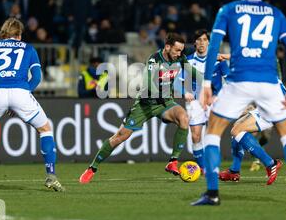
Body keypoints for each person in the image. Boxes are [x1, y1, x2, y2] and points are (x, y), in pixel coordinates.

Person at [192, 0, 286, 205]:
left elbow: (213, 46)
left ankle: (212, 193)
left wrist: (205, 85)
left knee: (212, 133)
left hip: (239, 80)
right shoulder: (276, 13)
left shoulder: (228, 10)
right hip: (269, 83)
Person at [0, 18, 64, 193]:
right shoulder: (29, 49)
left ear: (3, 33)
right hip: (21, 92)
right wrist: (23, 95)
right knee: (45, 129)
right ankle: (51, 176)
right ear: (20, 34)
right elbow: (37, 77)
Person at [79, 33, 199, 183]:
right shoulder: (154, 59)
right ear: (167, 47)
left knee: (183, 118)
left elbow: (194, 73)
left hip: (165, 103)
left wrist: (208, 85)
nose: (179, 54)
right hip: (145, 104)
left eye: (181, 50)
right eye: (177, 50)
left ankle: (173, 162)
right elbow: (149, 83)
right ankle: (92, 168)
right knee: (119, 137)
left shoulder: (180, 58)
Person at [178, 29, 229, 172]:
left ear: (209, 42)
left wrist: (217, 96)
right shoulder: (188, 61)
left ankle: (213, 166)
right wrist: (184, 93)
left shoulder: (218, 60)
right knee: (195, 135)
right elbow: (177, 82)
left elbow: (229, 81)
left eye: (204, 40)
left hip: (214, 101)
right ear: (195, 42)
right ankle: (203, 168)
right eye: (199, 40)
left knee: (213, 135)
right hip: (195, 101)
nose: (201, 43)